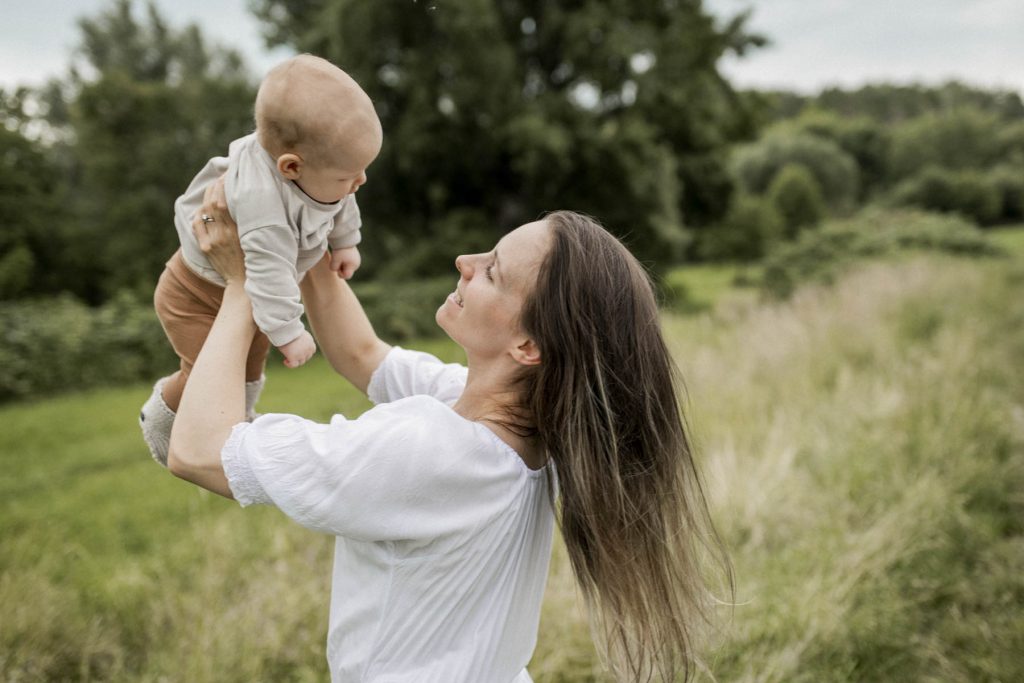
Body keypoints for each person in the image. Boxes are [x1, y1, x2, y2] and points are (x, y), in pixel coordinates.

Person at [166, 182, 731, 682]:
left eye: (492, 272)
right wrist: (306, 217)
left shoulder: (427, 448)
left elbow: (198, 452)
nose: (465, 260)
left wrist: (244, 283)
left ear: (528, 347)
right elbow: (361, 353)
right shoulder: (527, 423)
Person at [139, 54, 383, 465]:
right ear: (290, 167)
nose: (359, 182)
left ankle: (238, 429)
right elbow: (268, 270)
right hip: (195, 294)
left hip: (247, 297)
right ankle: (161, 419)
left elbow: (344, 202)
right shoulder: (259, 202)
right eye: (348, 175)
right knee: (208, 375)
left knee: (248, 376)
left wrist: (345, 242)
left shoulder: (326, 172)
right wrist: (289, 330)